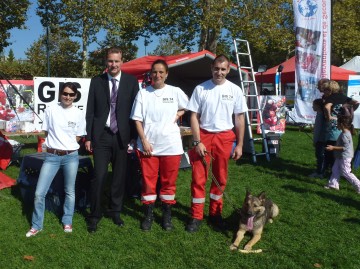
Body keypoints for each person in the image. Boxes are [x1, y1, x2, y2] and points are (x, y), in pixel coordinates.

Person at [185, 54, 248, 233]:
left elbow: (240, 119)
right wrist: (197, 141)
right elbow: (194, 117)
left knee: (220, 178)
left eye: (223, 69)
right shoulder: (201, 89)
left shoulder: (235, 90)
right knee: (199, 178)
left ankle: (215, 214)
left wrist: (241, 144)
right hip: (204, 135)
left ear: (228, 70)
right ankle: (196, 216)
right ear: (211, 68)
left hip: (225, 137)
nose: (219, 72)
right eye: (216, 69)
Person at [85, 47, 139, 233]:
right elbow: (90, 111)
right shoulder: (96, 82)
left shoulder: (131, 82)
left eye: (116, 61)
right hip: (102, 136)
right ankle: (95, 214)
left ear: (122, 61)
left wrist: (133, 137)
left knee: (118, 177)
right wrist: (89, 137)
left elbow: (135, 113)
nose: (113, 64)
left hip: (122, 137)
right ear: (105, 62)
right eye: (110, 61)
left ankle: (115, 210)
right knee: (99, 176)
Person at [130, 59, 189, 231]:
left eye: (161, 72)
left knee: (168, 182)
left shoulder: (175, 91)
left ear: (166, 74)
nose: (157, 75)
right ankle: (148, 214)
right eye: (154, 72)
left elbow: (189, 105)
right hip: (149, 147)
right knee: (148, 182)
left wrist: (178, 114)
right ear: (150, 74)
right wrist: (144, 141)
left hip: (171, 145)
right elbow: (137, 120)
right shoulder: (143, 94)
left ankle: (166, 214)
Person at [26, 82, 86, 237]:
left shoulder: (79, 114)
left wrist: (67, 145)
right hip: (51, 157)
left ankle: (67, 221)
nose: (68, 97)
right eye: (65, 93)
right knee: (40, 193)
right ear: (60, 94)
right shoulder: (51, 110)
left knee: (69, 191)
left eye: (71, 94)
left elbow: (79, 136)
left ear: (75, 96)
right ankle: (37, 225)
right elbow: (45, 132)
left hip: (71, 156)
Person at [324, 112, 360, 193]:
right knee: (335, 169)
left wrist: (333, 147)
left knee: (346, 172)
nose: (336, 125)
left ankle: (359, 185)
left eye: (337, 123)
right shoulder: (345, 132)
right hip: (340, 156)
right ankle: (333, 184)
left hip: (345, 156)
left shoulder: (345, 135)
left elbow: (345, 147)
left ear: (342, 124)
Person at [309, 99, 326, 178]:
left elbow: (318, 129)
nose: (312, 106)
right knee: (320, 155)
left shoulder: (320, 115)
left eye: (314, 105)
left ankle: (320, 172)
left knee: (320, 156)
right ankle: (320, 171)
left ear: (318, 106)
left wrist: (315, 140)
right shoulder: (321, 114)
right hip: (322, 138)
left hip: (320, 139)